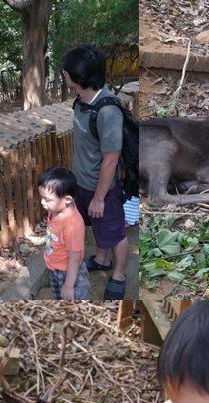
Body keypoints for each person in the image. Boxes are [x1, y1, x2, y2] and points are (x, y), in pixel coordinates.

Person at [62, 45, 128, 300]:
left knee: (115, 231)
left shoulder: (107, 112)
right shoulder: (81, 101)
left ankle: (120, 274)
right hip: (83, 182)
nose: (64, 76)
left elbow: (111, 160)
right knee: (98, 227)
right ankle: (102, 259)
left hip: (104, 188)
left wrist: (100, 197)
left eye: (67, 73)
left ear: (79, 77)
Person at [40, 166, 90, 300]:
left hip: (69, 273)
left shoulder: (72, 225)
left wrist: (68, 286)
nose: (42, 202)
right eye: (42, 197)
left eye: (47, 199)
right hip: (54, 268)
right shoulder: (56, 209)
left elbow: (75, 259)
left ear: (67, 200)